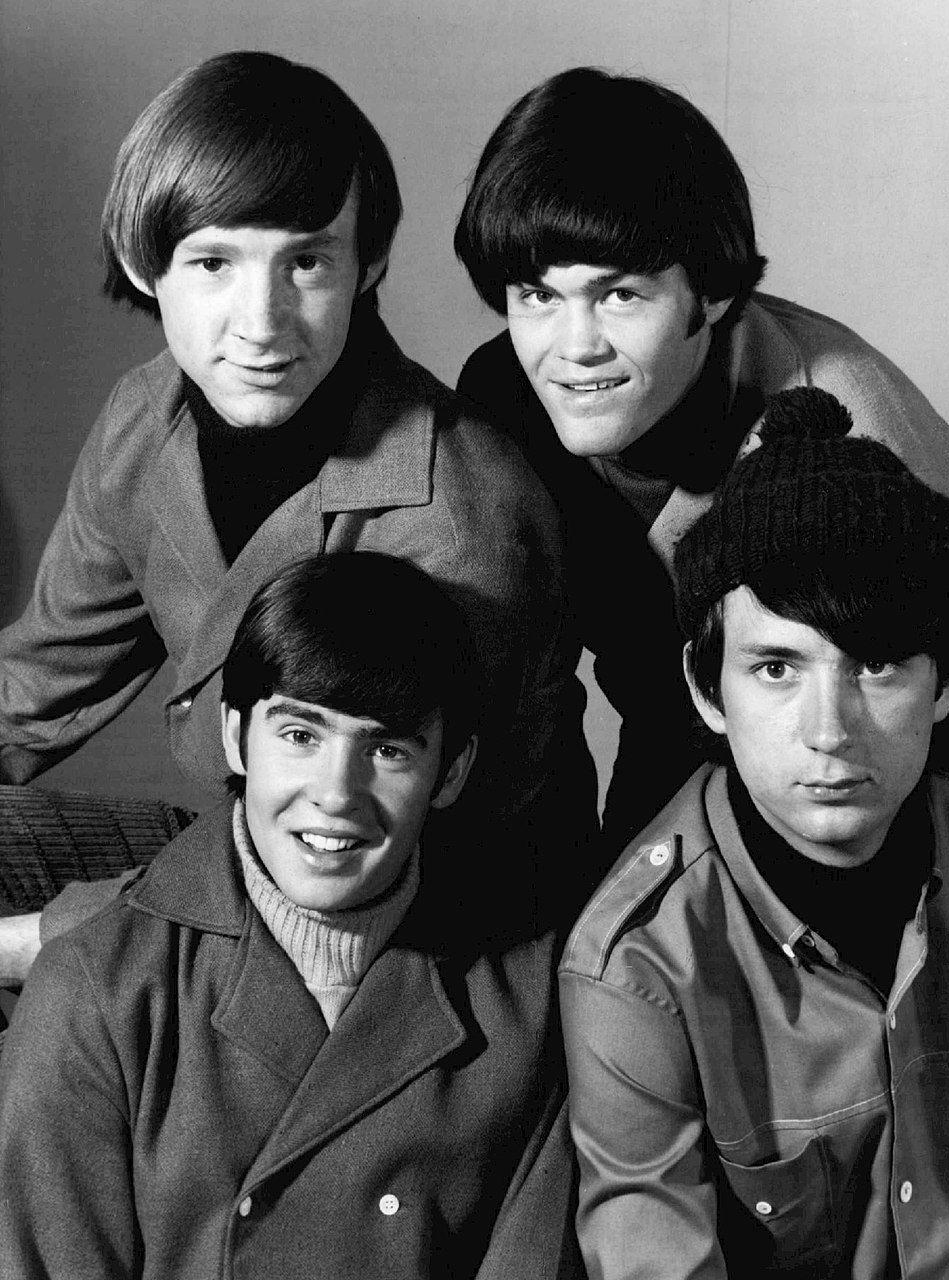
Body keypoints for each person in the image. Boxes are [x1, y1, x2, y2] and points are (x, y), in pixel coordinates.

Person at [0, 51, 594, 987]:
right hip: (260, 850)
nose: (261, 323)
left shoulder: (457, 516)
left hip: (426, 938)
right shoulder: (143, 421)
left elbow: (366, 861)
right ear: (141, 264)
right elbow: (33, 689)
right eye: (213, 263)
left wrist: (36, 938)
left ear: (371, 264)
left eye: (306, 261)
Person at [0, 551, 590, 1280]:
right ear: (237, 737)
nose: (336, 793)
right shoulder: (98, 988)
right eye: (300, 732)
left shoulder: (535, 997)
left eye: (388, 750)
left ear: (451, 772)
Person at [557, 388, 949, 1280]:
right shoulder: (635, 969)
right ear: (704, 687)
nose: (828, 730)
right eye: (777, 667)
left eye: (880, 664)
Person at [454, 66, 949, 853]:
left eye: (621, 294)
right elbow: (521, 695)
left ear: (714, 293)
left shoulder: (858, 436)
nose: (574, 348)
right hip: (660, 724)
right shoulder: (500, 397)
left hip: (831, 775)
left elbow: (880, 725)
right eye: (538, 296)